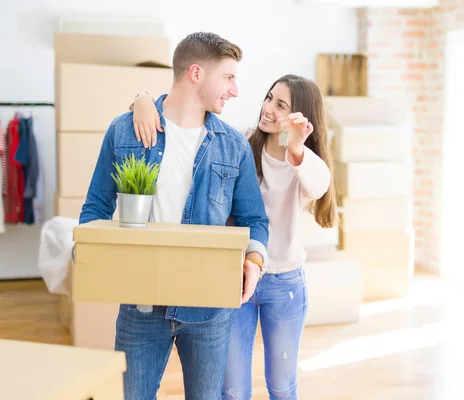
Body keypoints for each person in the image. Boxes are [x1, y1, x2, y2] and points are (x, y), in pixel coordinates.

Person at [79, 32, 270, 400]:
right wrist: (90, 259)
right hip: (141, 305)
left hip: (210, 309)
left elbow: (254, 218)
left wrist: (255, 259)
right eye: (228, 77)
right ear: (196, 73)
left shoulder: (233, 146)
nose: (235, 90)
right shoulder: (126, 130)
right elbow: (95, 208)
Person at [131, 74, 337, 400]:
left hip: (284, 285)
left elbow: (319, 185)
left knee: (282, 386)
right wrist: (144, 98)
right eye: (269, 98)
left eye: (280, 104)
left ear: (300, 116)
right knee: (233, 390)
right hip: (235, 280)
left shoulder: (302, 162)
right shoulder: (241, 142)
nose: (268, 108)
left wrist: (295, 146)